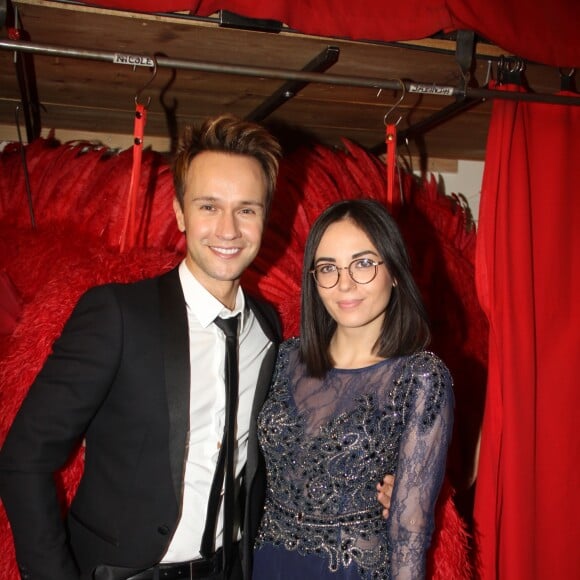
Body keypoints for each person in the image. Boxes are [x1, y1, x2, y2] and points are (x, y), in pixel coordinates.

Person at [0, 116, 394, 580]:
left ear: (267, 217)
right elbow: (24, 458)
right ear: (181, 212)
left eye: (246, 209)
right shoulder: (118, 315)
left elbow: (284, 449)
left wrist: (382, 487)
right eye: (209, 206)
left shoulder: (269, 331)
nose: (228, 229)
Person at [252, 199, 454, 579]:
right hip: (266, 562)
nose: (344, 284)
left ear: (394, 271)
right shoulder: (282, 358)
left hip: (350, 570)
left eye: (363, 263)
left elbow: (410, 529)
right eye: (328, 268)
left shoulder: (421, 377)